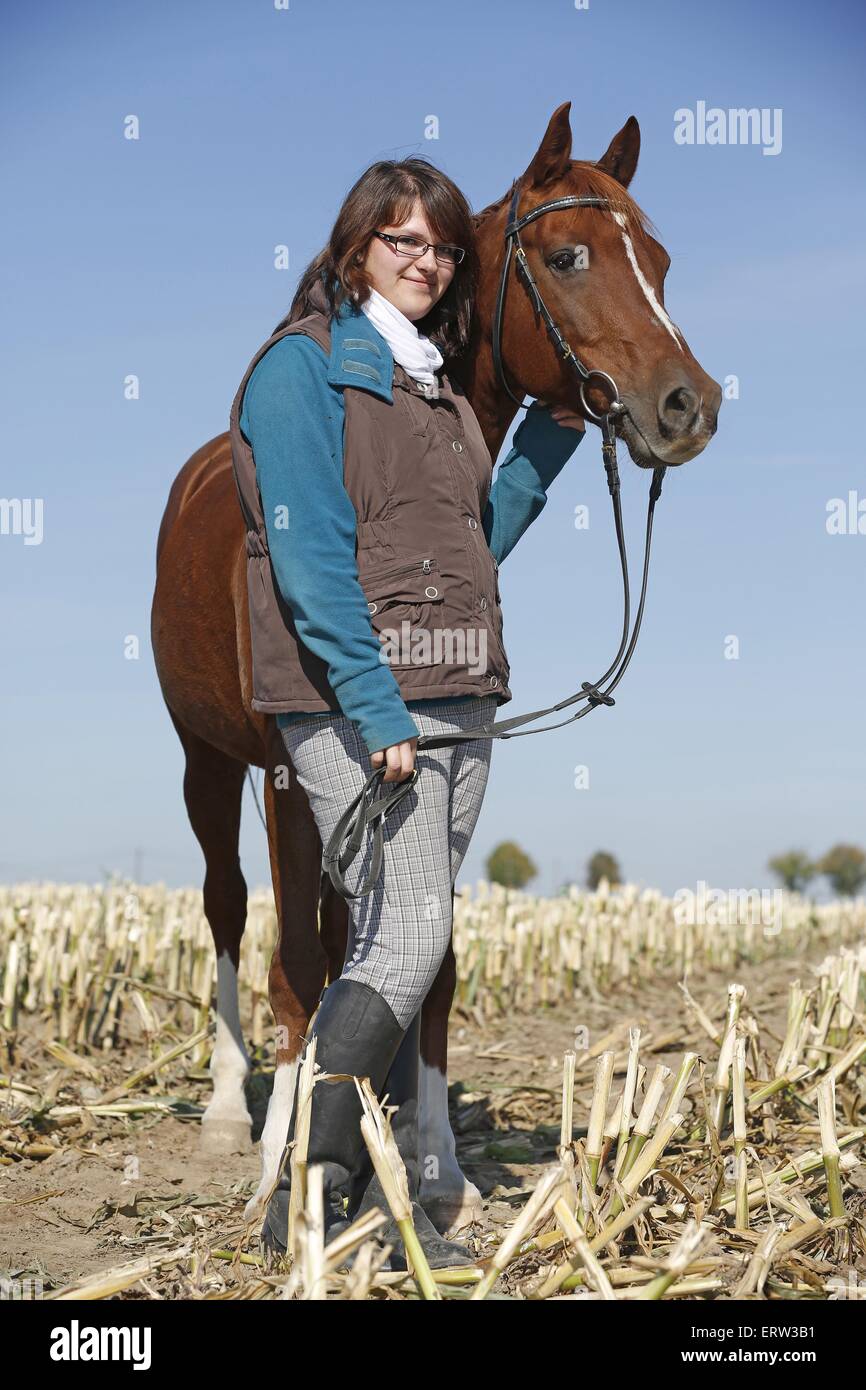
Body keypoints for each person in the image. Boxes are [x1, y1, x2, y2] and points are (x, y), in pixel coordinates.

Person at [230, 156, 585, 1267]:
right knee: (413, 930)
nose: (426, 262)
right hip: (361, 708)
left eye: (439, 247)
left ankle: (358, 1197)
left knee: (398, 942)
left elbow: (475, 537)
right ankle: (310, 1188)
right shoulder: (299, 373)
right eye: (402, 243)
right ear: (354, 251)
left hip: (460, 696)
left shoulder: (430, 387)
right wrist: (376, 706)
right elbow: (309, 560)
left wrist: (557, 431)